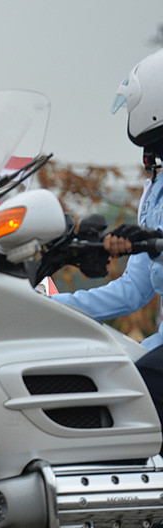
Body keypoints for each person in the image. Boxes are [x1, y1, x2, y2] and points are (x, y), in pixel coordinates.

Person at [53, 48, 163, 424]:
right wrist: (52, 309)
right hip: (159, 347)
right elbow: (136, 288)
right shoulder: (155, 189)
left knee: (133, 401)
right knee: (96, 380)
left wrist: (155, 243)